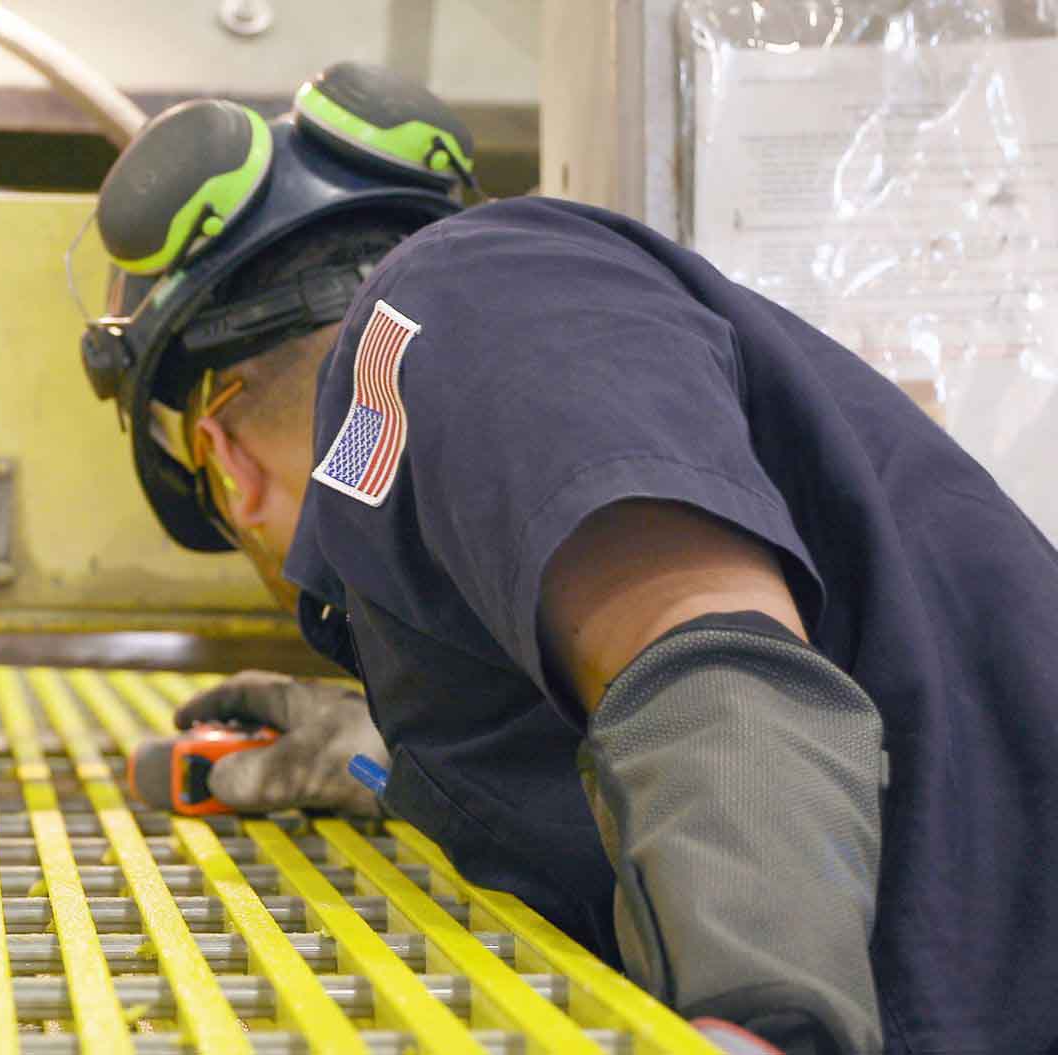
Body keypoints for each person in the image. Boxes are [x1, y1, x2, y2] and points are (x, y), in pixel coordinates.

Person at [76, 62, 1058, 1055]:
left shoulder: (458, 294)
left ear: (223, 458)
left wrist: (760, 1024)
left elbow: (720, 674)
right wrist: (386, 758)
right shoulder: (462, 363)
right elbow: (625, 724)